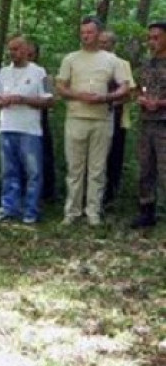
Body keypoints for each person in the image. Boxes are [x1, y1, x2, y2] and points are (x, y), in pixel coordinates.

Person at [55, 16, 130, 226]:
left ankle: (93, 212)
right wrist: (79, 95)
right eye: (83, 33)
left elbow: (124, 87)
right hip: (76, 117)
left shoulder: (111, 60)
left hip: (102, 119)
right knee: (75, 167)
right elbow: (60, 85)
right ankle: (72, 212)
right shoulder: (71, 59)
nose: (86, 36)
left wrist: (106, 98)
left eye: (89, 32)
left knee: (97, 168)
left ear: (98, 34)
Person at [0, 36, 54, 224]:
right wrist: (0, 101)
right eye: (10, 49)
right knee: (9, 171)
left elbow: (50, 100)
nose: (13, 52)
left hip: (30, 130)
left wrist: (23, 100)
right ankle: (10, 207)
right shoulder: (3, 72)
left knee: (33, 172)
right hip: (7, 126)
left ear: (27, 50)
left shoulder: (40, 72)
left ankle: (31, 210)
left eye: (17, 48)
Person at [131, 21, 166, 228]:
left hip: (164, 124)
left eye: (156, 37)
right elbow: (136, 89)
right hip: (147, 124)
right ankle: (146, 211)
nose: (152, 42)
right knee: (146, 168)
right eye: (149, 38)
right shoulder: (146, 64)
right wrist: (141, 99)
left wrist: (160, 103)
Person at [98, 30, 136, 206]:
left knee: (114, 155)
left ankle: (111, 195)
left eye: (106, 42)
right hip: (94, 116)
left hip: (116, 116)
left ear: (113, 44)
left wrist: (112, 102)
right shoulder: (93, 63)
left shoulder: (122, 64)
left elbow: (130, 92)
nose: (102, 45)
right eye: (100, 42)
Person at [28, 41, 57, 203]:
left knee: (44, 156)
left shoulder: (43, 73)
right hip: (20, 122)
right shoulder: (12, 72)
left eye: (32, 54)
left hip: (40, 120)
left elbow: (51, 99)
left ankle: (47, 193)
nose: (29, 57)